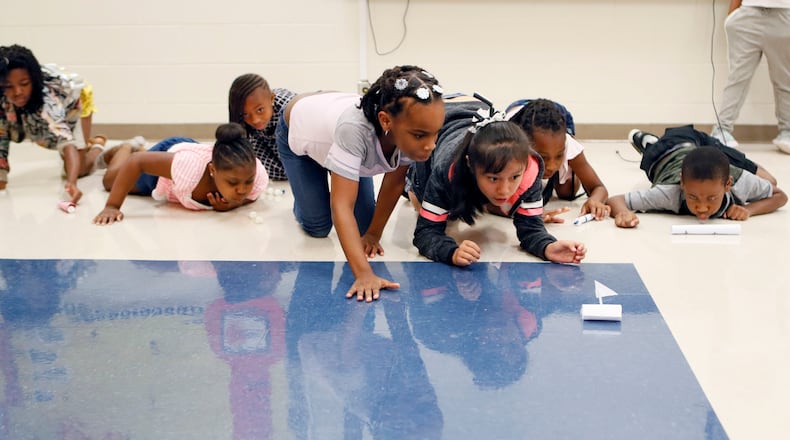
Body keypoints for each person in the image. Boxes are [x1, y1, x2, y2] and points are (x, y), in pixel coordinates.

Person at [276, 65, 446, 302]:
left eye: (434, 133)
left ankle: (339, 169)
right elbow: (342, 206)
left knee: (364, 228)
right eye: (420, 135)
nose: (430, 145)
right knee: (319, 226)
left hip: (338, 131)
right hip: (298, 125)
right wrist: (364, 274)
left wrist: (374, 234)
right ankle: (305, 198)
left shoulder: (410, 133)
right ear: (386, 121)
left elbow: (394, 184)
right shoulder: (354, 131)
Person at [409, 99, 587, 267]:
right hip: (443, 119)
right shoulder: (447, 170)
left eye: (514, 177)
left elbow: (531, 229)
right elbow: (426, 233)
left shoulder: (529, 166)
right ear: (470, 164)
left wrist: (548, 247)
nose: (505, 190)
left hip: (474, 108)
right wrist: (451, 252)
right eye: (493, 178)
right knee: (424, 202)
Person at [607, 125, 787, 227]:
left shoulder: (739, 180)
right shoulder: (668, 193)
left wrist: (750, 209)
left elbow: (781, 196)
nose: (701, 208)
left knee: (770, 181)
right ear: (682, 184)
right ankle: (646, 140)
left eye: (711, 198)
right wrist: (623, 213)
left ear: (728, 184)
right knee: (652, 150)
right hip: (666, 151)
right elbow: (616, 200)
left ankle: (720, 149)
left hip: (706, 145)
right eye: (693, 197)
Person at [93, 123, 269, 225]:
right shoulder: (188, 169)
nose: (242, 190)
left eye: (248, 181)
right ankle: (126, 147)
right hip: (171, 159)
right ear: (212, 170)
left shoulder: (255, 173)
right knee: (109, 182)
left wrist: (233, 205)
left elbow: (252, 195)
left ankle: (144, 151)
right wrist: (112, 206)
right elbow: (137, 161)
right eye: (233, 183)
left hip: (186, 157)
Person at [0, 44, 105, 202]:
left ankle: (97, 146)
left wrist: (71, 183)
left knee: (80, 169)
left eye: (24, 84)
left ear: (34, 81)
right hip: (42, 114)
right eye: (8, 86)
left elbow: (66, 141)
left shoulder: (48, 99)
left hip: (75, 101)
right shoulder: (3, 97)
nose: (17, 92)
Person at [507, 98, 610, 223]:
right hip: (518, 114)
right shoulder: (507, 147)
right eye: (543, 157)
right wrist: (529, 213)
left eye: (559, 156)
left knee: (567, 192)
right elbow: (488, 202)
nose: (551, 166)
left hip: (559, 112)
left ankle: (566, 167)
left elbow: (599, 187)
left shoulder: (568, 144)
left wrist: (595, 200)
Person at [710, 0, 790, 153]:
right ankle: (721, 130)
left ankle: (787, 132)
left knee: (785, 79)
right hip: (748, 12)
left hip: (785, 14)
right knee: (738, 78)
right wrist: (731, 17)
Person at [228, 73, 296, 181]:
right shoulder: (244, 120)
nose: (255, 120)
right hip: (266, 142)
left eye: (260, 110)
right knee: (247, 163)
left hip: (294, 141)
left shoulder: (289, 109)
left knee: (295, 170)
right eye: (245, 114)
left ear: (272, 99)